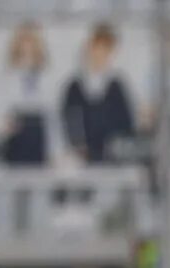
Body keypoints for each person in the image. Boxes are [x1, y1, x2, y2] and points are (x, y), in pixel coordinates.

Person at [62, 23, 137, 166]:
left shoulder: (117, 85)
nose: (100, 55)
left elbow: (126, 122)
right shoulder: (75, 85)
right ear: (89, 49)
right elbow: (70, 117)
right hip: (81, 156)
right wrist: (78, 144)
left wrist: (118, 146)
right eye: (97, 49)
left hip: (113, 156)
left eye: (105, 50)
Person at [0, 22, 53, 168]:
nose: (27, 46)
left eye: (31, 42)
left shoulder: (45, 74)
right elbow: (4, 104)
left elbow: (50, 109)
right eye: (23, 41)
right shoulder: (9, 73)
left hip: (37, 128)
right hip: (17, 127)